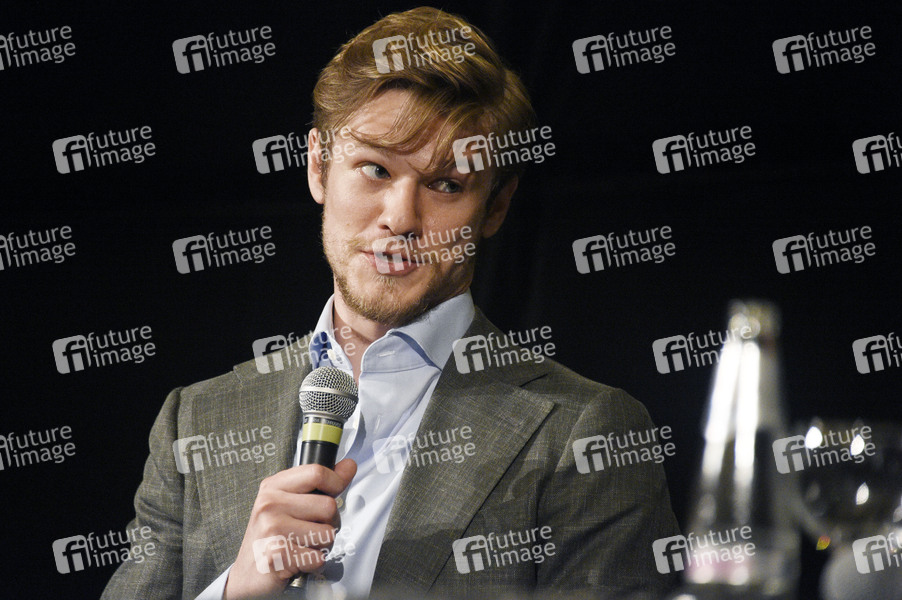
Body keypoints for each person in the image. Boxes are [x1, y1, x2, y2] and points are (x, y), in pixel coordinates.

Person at [101, 7, 680, 600]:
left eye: (446, 184)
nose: (401, 218)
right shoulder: (198, 420)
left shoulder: (586, 432)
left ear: (496, 206)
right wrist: (236, 590)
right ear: (319, 167)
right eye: (375, 169)